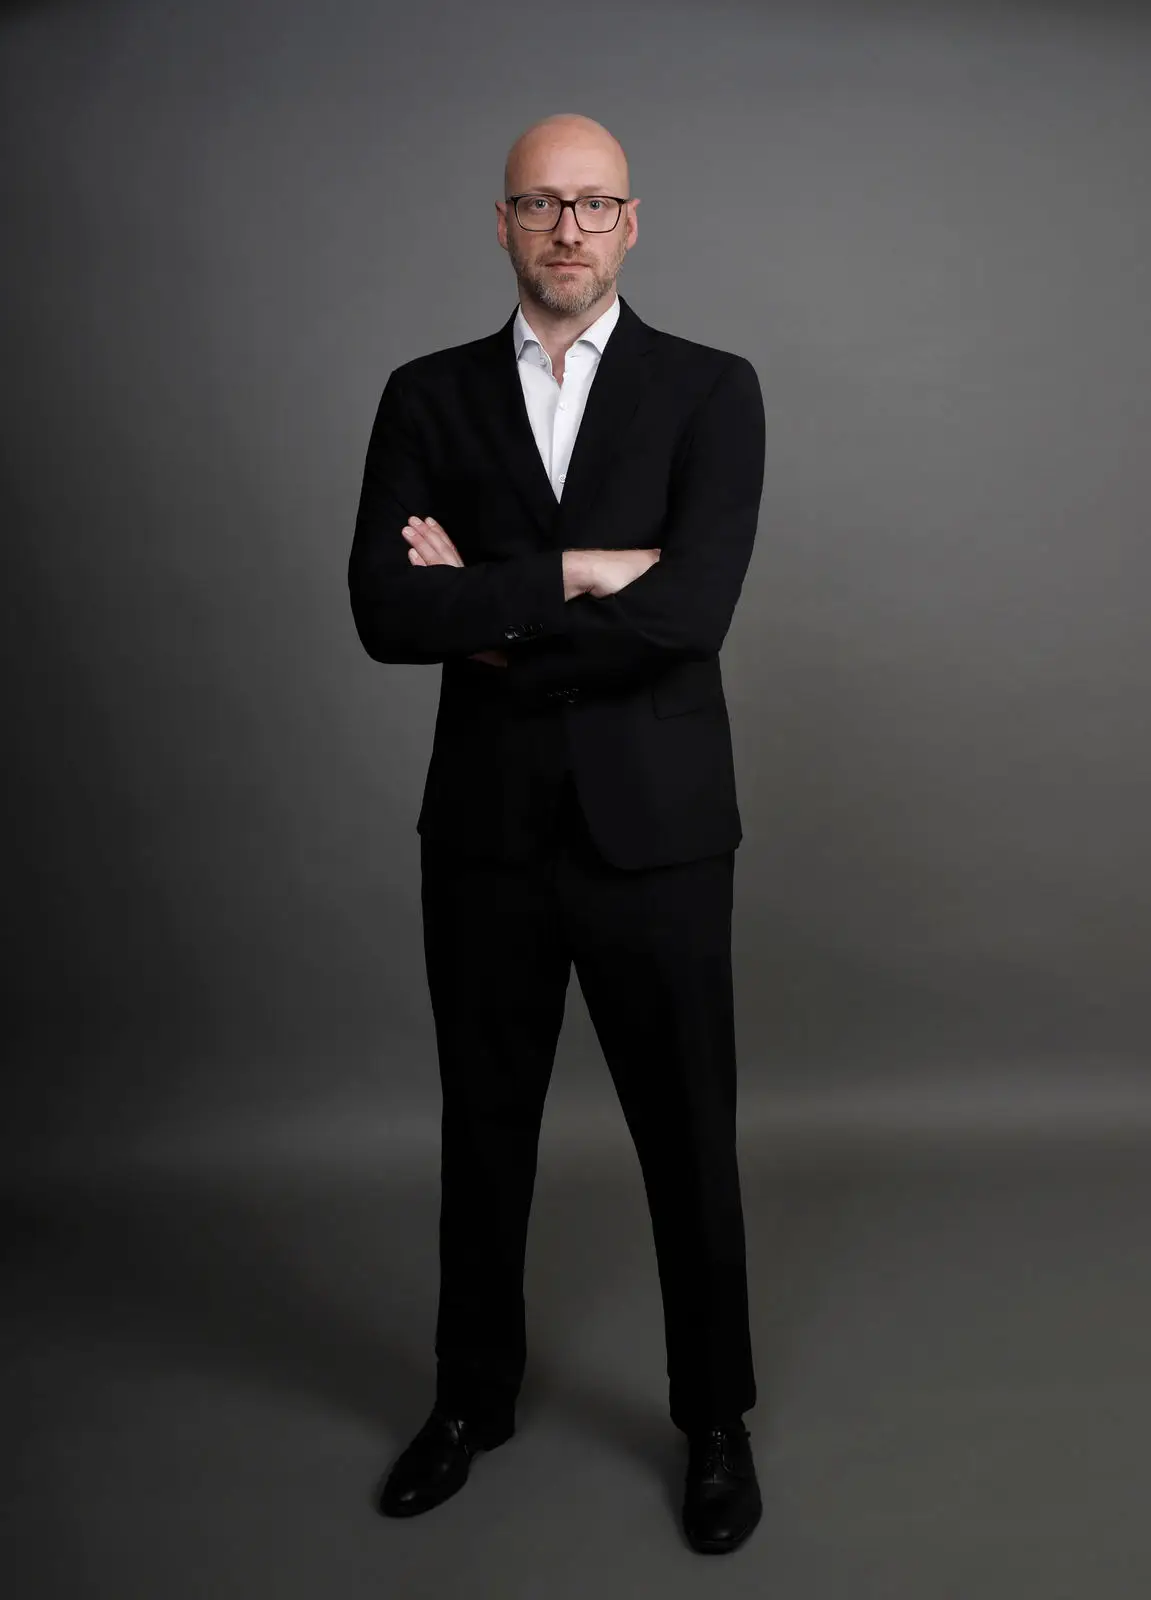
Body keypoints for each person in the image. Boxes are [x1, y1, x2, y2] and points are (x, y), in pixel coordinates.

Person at [347, 112, 766, 1554]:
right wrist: (582, 570)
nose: (568, 229)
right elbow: (384, 611)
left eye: (592, 204)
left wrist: (492, 610)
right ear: (505, 223)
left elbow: (692, 611)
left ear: (631, 223)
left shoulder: (712, 389)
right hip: (487, 832)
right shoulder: (427, 395)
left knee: (688, 1136)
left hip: (660, 830)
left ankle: (716, 1420)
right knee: (482, 1131)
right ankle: (471, 1400)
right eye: (541, 203)